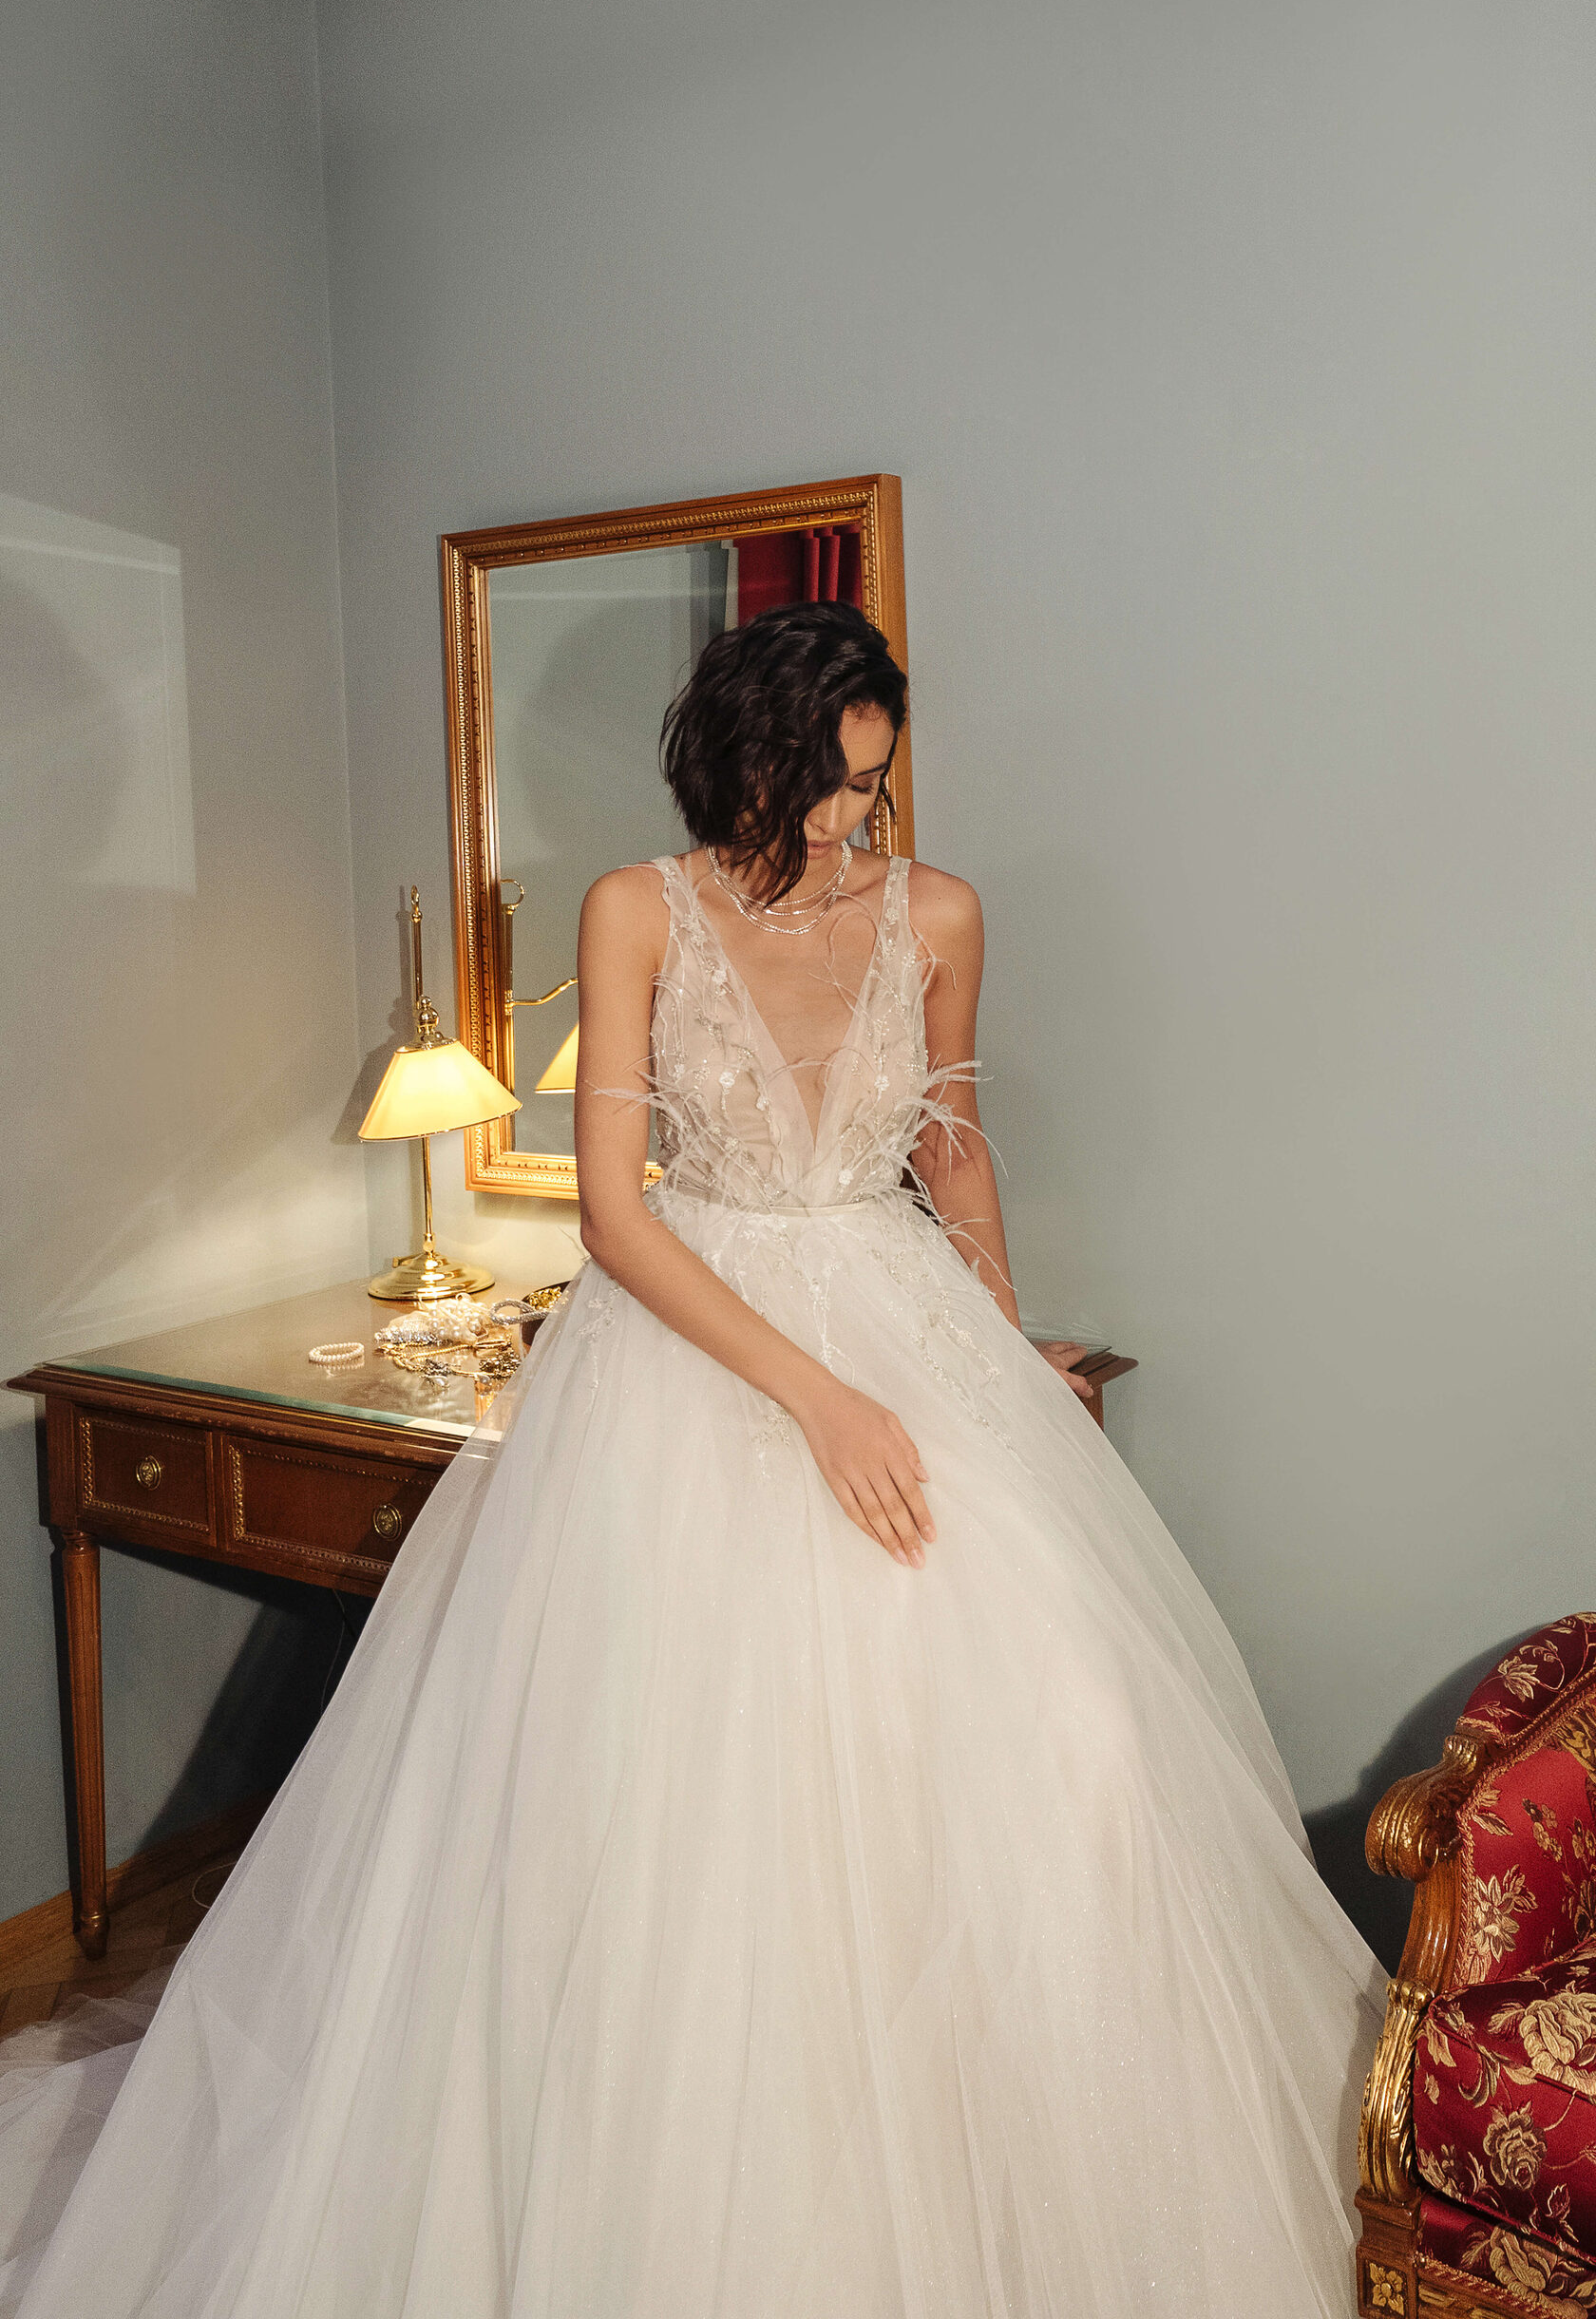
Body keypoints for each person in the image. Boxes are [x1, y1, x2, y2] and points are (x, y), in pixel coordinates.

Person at [3, 602, 1384, 2318]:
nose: (851, 819)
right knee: (684, 1807)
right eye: (826, 782)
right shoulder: (636, 909)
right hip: (692, 1351)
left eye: (874, 784)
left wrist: (1006, 1356)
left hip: (905, 1323)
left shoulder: (939, 911)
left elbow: (954, 1149)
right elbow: (612, 1216)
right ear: (743, 755)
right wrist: (820, 1401)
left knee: (1065, 1745)